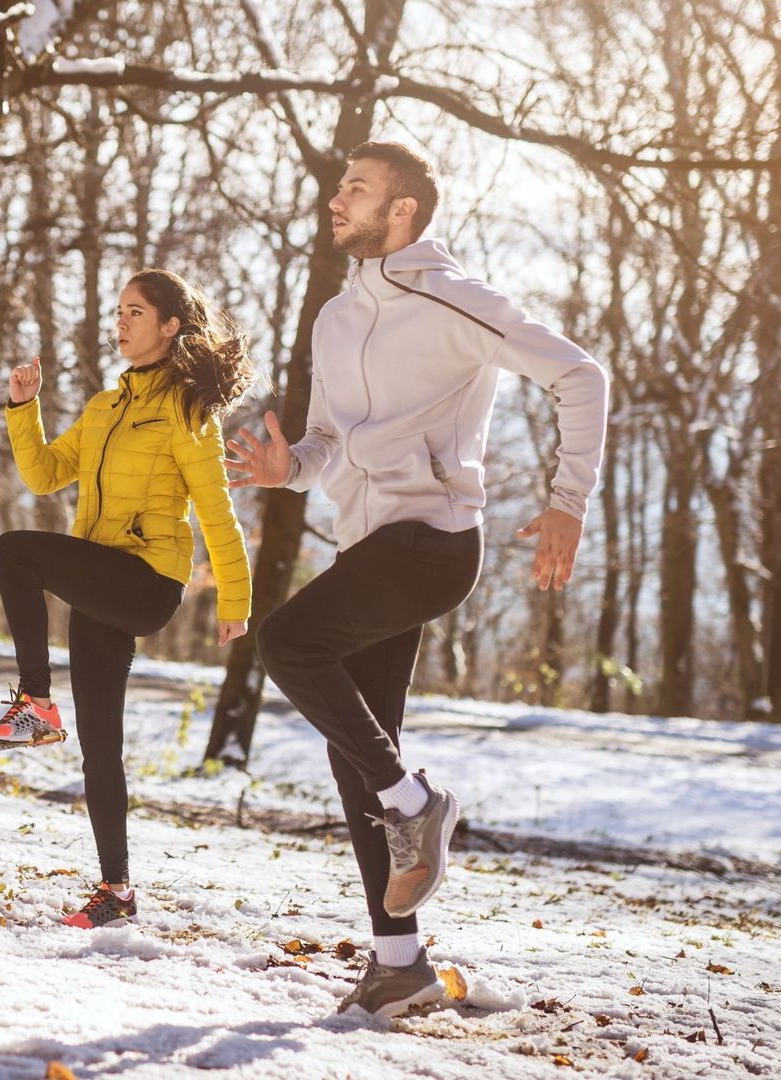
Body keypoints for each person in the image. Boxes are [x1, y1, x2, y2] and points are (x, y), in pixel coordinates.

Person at [226, 141, 610, 1016]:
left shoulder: (455, 300)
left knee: (287, 643)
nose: (337, 198)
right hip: (366, 550)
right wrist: (287, 469)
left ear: (401, 211)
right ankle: (400, 964)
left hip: (433, 543)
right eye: (338, 184)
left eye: (356, 188)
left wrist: (567, 500)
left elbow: (581, 374)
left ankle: (417, 802)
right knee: (352, 749)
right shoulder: (334, 316)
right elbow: (326, 444)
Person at [0, 268, 256, 930]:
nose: (121, 323)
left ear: (169, 327)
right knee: (100, 743)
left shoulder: (187, 413)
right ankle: (116, 891)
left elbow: (217, 512)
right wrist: (25, 408)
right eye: (119, 311)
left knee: (13, 551)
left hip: (146, 581)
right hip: (100, 575)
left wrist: (235, 599)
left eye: (135, 312)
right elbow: (45, 476)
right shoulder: (105, 407)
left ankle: (35, 704)